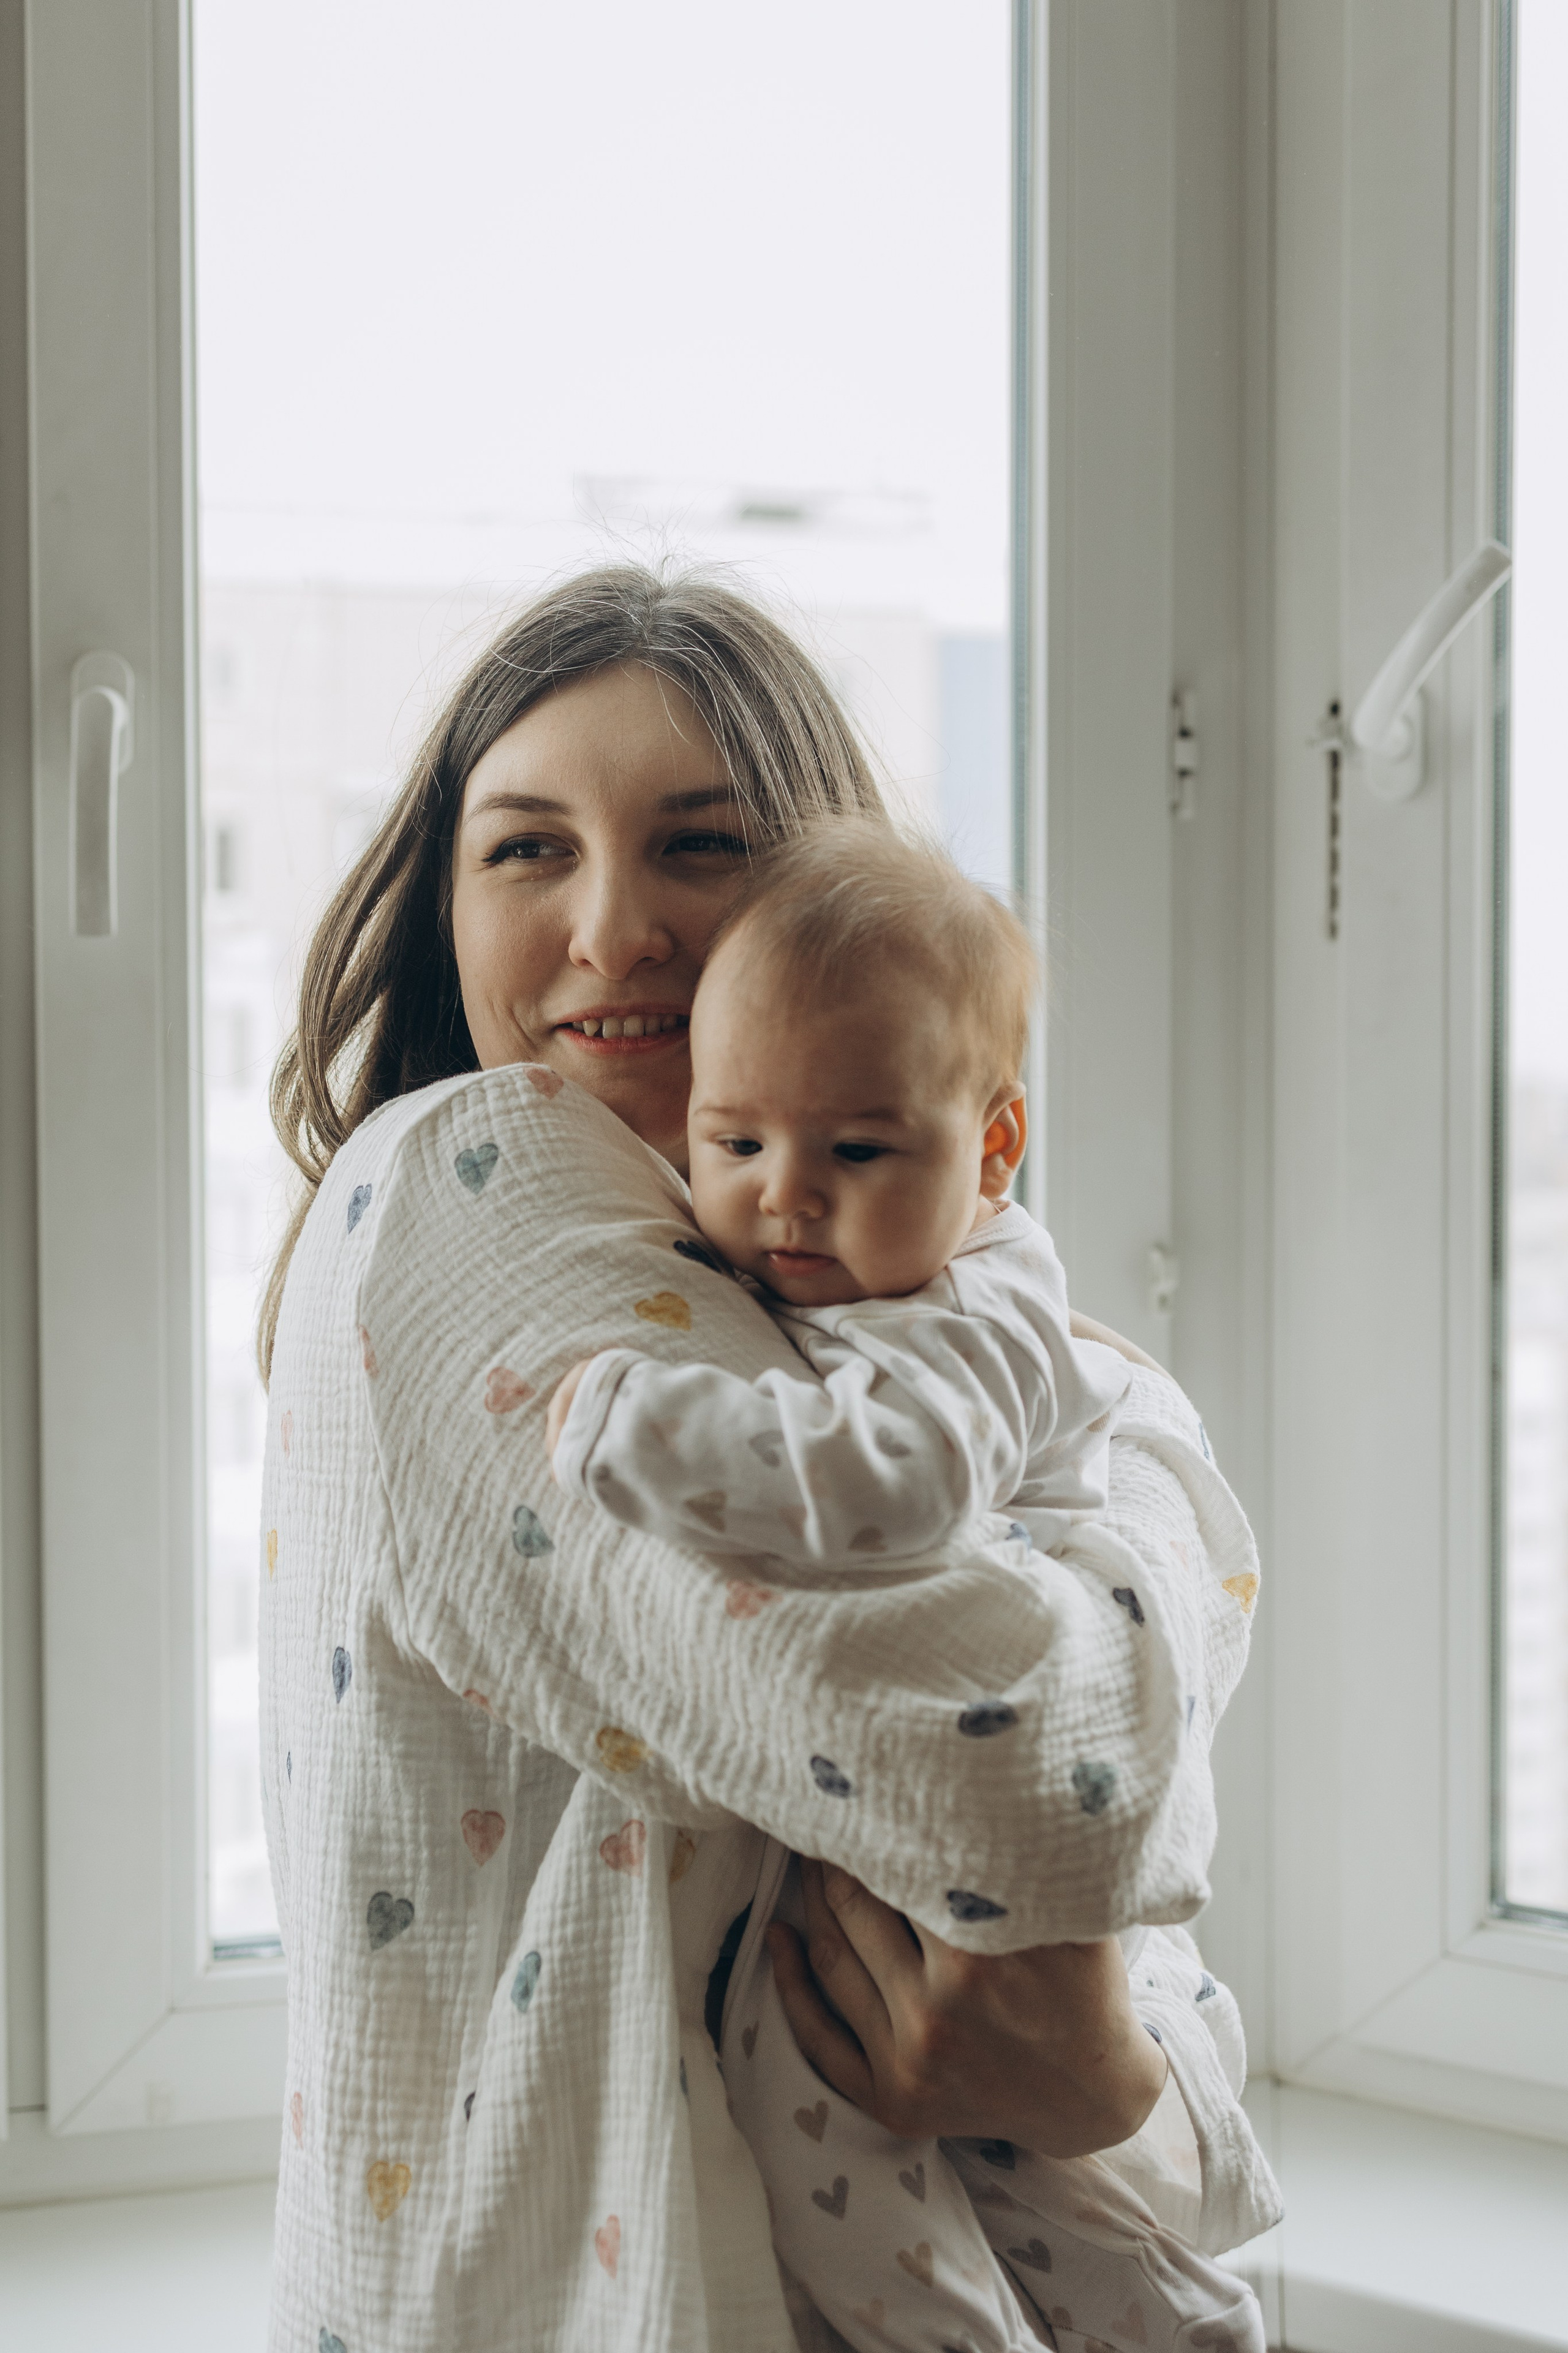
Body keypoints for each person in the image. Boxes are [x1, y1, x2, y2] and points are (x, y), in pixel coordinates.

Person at [257, 564, 1280, 2353]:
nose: (613, 928)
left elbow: (1122, 2036)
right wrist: (1162, 1483)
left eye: (699, 847)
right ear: (440, 904)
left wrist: (1102, 2073)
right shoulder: (468, 1186)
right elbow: (1045, 1775)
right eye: (526, 849)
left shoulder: (869, 1296)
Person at [545, 824, 1268, 2353]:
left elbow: (895, 1484)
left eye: (857, 1151)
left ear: (989, 1149)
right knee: (902, 2159)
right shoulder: (825, 1258)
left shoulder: (981, 1298)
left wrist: (639, 1423)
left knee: (1013, 2203)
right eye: (734, 1144)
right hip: (902, 1870)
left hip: (996, 1865)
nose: (785, 1200)